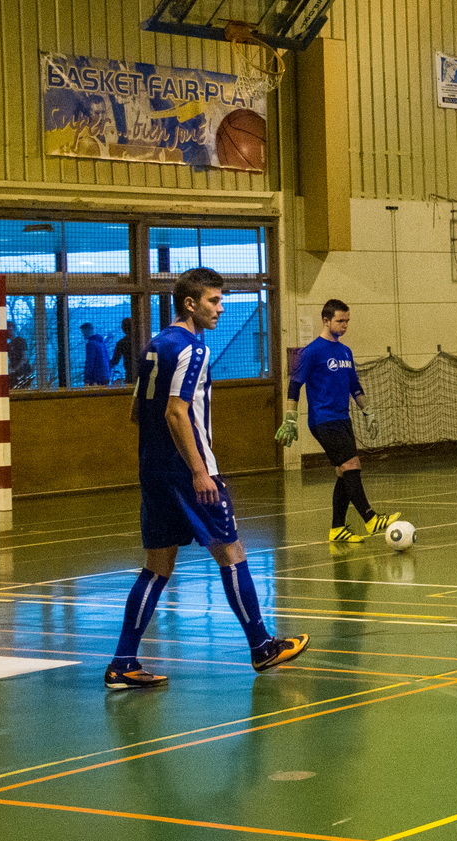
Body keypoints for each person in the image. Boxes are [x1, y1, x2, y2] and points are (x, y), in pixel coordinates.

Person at [103, 267, 308, 690]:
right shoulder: (192, 349)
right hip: (188, 471)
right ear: (190, 304)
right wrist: (199, 471)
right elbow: (176, 412)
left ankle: (122, 662)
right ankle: (262, 646)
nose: (220, 308)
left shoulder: (154, 346)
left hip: (153, 470)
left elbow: (136, 411)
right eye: (213, 301)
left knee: (157, 566)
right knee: (231, 551)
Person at [280, 299, 396, 544]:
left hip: (343, 418)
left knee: (344, 472)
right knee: (352, 464)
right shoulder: (311, 352)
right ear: (326, 320)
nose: (345, 325)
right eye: (340, 321)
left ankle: (337, 529)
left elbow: (354, 386)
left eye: (347, 321)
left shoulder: (345, 352)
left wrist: (368, 411)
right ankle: (370, 518)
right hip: (323, 420)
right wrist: (290, 417)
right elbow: (294, 385)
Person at [79, 321, 111, 387]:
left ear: (88, 330)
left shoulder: (91, 344)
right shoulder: (101, 343)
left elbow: (90, 362)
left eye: (84, 332)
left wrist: (87, 378)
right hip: (105, 375)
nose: (83, 335)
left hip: (96, 377)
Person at [111, 314, 140, 384]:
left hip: (129, 373)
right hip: (142, 371)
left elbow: (115, 361)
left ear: (123, 329)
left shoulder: (121, 343)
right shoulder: (140, 341)